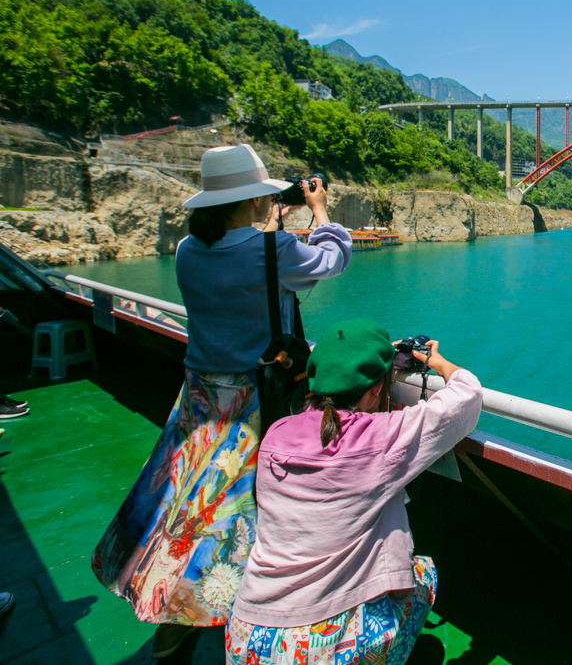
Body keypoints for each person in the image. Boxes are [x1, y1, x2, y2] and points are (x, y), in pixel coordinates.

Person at [91, 144, 352, 660]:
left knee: (179, 497)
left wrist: (270, 222)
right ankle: (194, 612)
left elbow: (239, 260)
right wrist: (321, 213)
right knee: (228, 513)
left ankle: (158, 597)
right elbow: (332, 260)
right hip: (250, 401)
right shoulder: (266, 251)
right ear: (251, 200)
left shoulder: (188, 249)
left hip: (198, 393)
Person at [225, 319, 482, 665]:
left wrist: (386, 357)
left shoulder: (277, 433)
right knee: (423, 576)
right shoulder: (380, 438)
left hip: (246, 638)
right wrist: (434, 362)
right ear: (377, 389)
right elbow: (467, 395)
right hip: (314, 651)